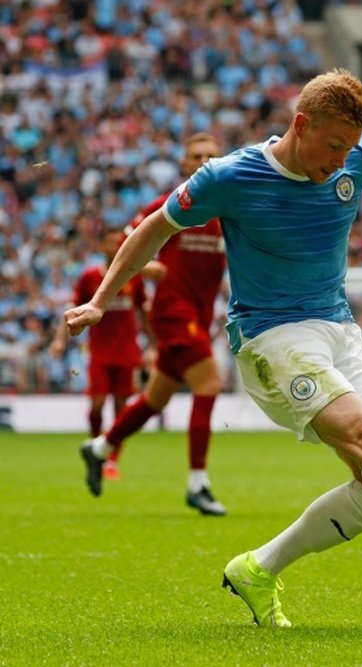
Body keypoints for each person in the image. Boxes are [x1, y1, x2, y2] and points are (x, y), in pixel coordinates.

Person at [65, 69, 362, 627]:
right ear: (301, 125)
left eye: (350, 147)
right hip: (272, 338)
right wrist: (102, 300)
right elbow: (154, 228)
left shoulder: (357, 159)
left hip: (341, 334)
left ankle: (258, 568)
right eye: (333, 146)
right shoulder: (231, 176)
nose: (342, 160)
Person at [82, 133, 228, 516]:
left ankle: (98, 448)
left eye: (211, 156)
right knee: (209, 384)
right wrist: (147, 266)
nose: (203, 161)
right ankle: (198, 483)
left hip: (199, 315)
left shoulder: (228, 213)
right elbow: (122, 246)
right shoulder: (169, 205)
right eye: (195, 155)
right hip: (172, 313)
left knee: (156, 398)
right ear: (183, 164)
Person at [51, 227, 148, 441]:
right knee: (97, 404)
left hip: (127, 351)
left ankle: (112, 457)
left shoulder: (135, 276)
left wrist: (153, 345)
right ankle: (95, 444)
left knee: (121, 406)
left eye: (119, 242)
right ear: (101, 246)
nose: (116, 246)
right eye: (111, 242)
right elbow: (71, 308)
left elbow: (144, 311)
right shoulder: (89, 277)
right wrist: (59, 340)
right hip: (99, 352)